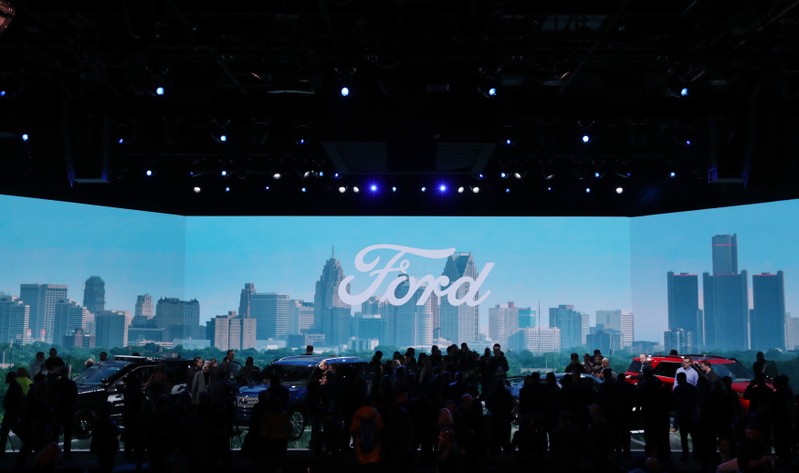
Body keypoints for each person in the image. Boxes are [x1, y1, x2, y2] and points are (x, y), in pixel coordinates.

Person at [0, 371, 24, 458]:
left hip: (11, 413)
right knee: (15, 431)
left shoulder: (14, 386)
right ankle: (28, 445)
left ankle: (1, 452)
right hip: (13, 413)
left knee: (4, 432)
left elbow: (16, 401)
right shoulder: (16, 386)